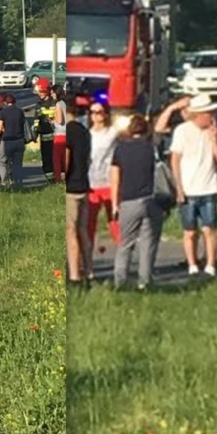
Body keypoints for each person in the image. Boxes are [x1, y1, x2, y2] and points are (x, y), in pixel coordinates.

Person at [168, 94, 217, 278]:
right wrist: (179, 187)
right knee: (190, 231)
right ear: (199, 114)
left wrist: (214, 138)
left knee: (210, 229)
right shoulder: (182, 131)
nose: (212, 117)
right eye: (209, 113)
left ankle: (210, 265)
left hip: (208, 187)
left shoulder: (213, 131)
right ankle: (192, 265)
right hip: (188, 188)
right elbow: (175, 159)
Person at [110, 113, 163, 291]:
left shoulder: (121, 149)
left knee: (126, 243)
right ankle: (145, 281)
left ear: (130, 130)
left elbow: (115, 178)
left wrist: (114, 204)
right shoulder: (151, 147)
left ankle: (120, 281)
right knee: (148, 242)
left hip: (128, 200)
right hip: (150, 198)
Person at [87, 101, 122, 255]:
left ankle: (124, 254)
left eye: (100, 111)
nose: (96, 115)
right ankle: (86, 260)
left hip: (110, 182)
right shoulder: (87, 134)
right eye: (93, 112)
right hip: (91, 183)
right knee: (89, 223)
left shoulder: (112, 132)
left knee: (114, 220)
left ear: (106, 114)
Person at [64, 97, 92, 286]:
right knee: (83, 230)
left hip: (71, 188)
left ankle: (74, 275)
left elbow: (67, 158)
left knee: (70, 231)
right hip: (84, 185)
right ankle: (89, 271)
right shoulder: (84, 132)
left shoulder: (68, 132)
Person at [0, 93, 27, 188]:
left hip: (7, 140)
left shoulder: (3, 113)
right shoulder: (20, 112)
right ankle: (18, 184)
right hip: (19, 140)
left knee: (2, 162)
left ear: (5, 103)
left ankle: (5, 183)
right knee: (17, 164)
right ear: (14, 102)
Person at [33, 78, 57, 182]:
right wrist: (34, 133)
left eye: (41, 92)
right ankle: (51, 181)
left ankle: (58, 180)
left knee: (56, 159)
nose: (39, 94)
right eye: (39, 92)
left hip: (56, 137)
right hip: (44, 137)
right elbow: (36, 122)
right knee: (46, 160)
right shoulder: (38, 105)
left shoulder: (55, 103)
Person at [51, 85, 68, 182]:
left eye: (52, 92)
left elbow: (60, 120)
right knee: (66, 158)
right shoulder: (65, 103)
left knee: (57, 159)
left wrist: (53, 120)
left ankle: (57, 179)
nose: (51, 94)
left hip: (60, 135)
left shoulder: (58, 104)